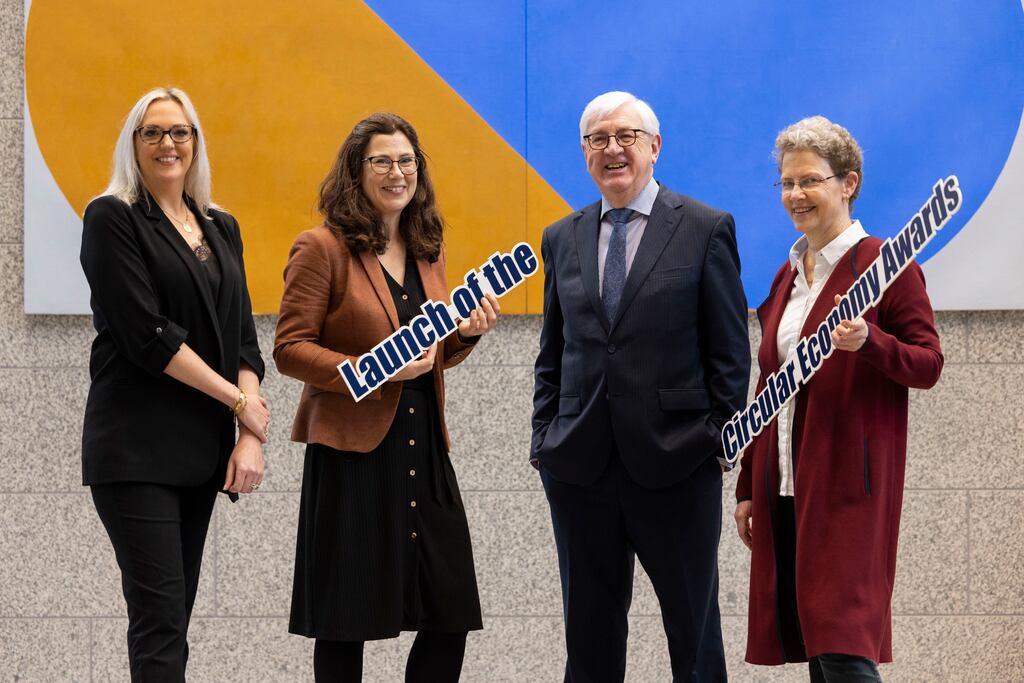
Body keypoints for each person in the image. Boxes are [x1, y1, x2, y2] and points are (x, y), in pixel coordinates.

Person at [531, 90, 750, 682]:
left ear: (655, 147)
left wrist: (714, 442)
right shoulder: (561, 237)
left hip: (678, 466)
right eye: (598, 140)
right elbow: (553, 352)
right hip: (580, 470)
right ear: (585, 155)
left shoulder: (705, 228)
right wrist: (543, 442)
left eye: (625, 136)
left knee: (695, 638)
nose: (613, 149)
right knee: (591, 641)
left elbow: (730, 355)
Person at [274, 112, 499, 682]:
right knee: (345, 620)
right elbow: (290, 349)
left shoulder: (429, 248)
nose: (397, 172)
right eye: (383, 161)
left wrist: (464, 336)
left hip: (424, 451)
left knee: (450, 612)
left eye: (407, 161)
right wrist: (372, 370)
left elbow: (431, 353)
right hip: (353, 455)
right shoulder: (321, 248)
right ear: (357, 170)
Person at [734, 116, 943, 682]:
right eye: (786, 184)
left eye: (809, 181)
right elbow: (767, 386)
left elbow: (928, 364)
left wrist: (871, 342)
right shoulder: (786, 277)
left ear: (848, 183)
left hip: (850, 485)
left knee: (845, 643)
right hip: (785, 487)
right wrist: (748, 483)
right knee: (817, 646)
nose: (795, 195)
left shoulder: (887, 265)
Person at [80, 86, 270, 682]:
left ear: (196, 142)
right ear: (133, 145)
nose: (168, 143)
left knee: (174, 617)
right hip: (135, 449)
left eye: (180, 131)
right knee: (160, 619)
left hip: (199, 453)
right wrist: (238, 401)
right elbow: (148, 336)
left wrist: (250, 431)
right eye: (153, 132)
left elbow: (242, 336)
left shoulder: (222, 227)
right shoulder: (111, 217)